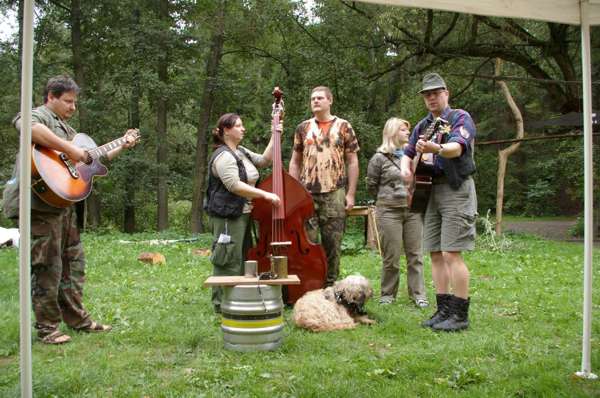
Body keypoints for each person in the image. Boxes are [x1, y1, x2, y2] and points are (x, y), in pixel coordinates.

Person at [2, 75, 137, 344]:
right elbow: (27, 127)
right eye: (68, 101)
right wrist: (71, 151)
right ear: (51, 97)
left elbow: (91, 158)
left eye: (75, 102)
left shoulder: (65, 128)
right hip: (37, 205)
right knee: (47, 266)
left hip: (60, 205)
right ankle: (47, 329)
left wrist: (122, 144)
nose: (73, 107)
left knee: (73, 263)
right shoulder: (38, 116)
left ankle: (77, 319)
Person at [400, 73, 477, 332]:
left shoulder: (459, 118)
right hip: (429, 191)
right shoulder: (422, 125)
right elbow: (407, 152)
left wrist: (437, 149)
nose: (431, 97)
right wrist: (405, 169)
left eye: (436, 93)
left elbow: (457, 147)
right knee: (434, 252)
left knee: (451, 252)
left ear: (447, 93)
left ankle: (460, 313)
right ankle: (443, 310)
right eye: (427, 94)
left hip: (456, 188)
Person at [204, 113, 281, 312]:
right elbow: (234, 185)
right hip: (228, 215)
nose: (243, 128)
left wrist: (275, 133)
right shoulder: (223, 156)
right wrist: (265, 195)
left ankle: (237, 298)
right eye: (238, 126)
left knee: (242, 256)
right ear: (226, 131)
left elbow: (264, 160)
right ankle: (221, 304)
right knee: (227, 256)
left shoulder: (241, 151)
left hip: (244, 212)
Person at [289, 86, 360, 286]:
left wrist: (351, 194)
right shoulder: (302, 128)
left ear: (330, 101)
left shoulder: (344, 126)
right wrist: (294, 192)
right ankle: (308, 285)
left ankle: (331, 286)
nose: (315, 101)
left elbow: (353, 161)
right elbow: (295, 161)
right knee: (306, 243)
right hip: (306, 194)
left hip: (335, 192)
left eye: (320, 98)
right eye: (312, 98)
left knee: (333, 244)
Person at [367, 117, 428, 308]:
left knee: (415, 255)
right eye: (403, 130)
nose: (408, 133)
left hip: (413, 210)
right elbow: (371, 185)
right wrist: (390, 196)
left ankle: (418, 295)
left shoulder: (415, 156)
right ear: (393, 132)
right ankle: (387, 294)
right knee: (391, 256)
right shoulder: (379, 158)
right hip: (388, 212)